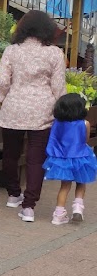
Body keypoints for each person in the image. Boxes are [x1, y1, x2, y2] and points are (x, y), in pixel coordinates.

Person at [0, 10, 66, 222]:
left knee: (10, 153)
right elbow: (59, 86)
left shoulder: (11, 51)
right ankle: (29, 206)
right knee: (36, 159)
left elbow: (2, 81)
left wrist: (0, 99)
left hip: (13, 108)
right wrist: (61, 108)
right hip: (42, 111)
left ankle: (13, 194)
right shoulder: (54, 53)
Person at [43, 93, 97, 224]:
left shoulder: (57, 124)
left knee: (64, 186)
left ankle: (58, 214)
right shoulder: (85, 123)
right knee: (81, 183)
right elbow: (85, 140)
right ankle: (78, 208)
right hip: (81, 156)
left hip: (63, 158)